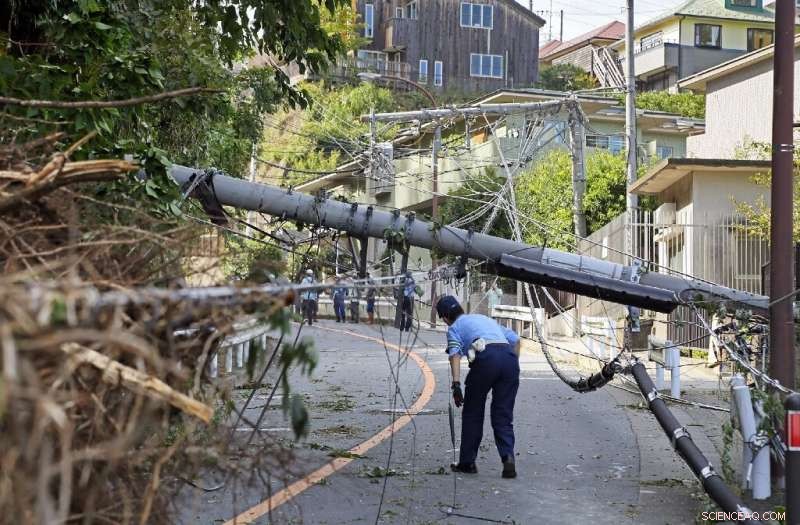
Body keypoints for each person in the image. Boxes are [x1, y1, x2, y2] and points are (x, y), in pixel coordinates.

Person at [436, 295, 520, 479]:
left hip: (486, 360)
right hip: (509, 360)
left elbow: (455, 354)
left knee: (473, 412)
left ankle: (467, 463)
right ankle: (508, 458)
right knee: (503, 414)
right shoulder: (483, 318)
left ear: (444, 318)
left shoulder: (454, 328)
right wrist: (513, 364)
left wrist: (456, 384)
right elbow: (515, 339)